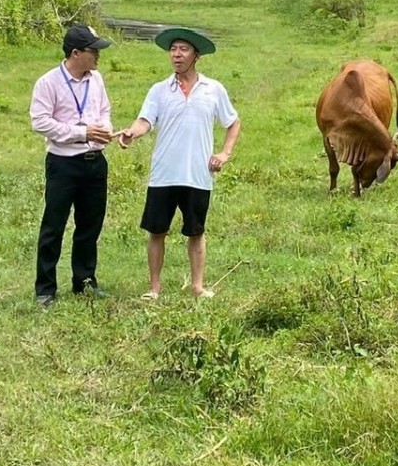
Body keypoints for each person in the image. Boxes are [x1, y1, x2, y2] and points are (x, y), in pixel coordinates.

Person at [115, 26, 240, 300]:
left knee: (196, 231)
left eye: (183, 49)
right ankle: (154, 288)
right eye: (173, 49)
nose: (177, 55)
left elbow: (233, 122)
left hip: (198, 175)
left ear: (196, 55)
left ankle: (197, 286)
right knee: (157, 231)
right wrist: (132, 132)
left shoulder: (213, 89)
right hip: (163, 174)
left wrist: (224, 153)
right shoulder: (159, 91)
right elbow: (145, 120)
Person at [30, 23, 114, 307]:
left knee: (90, 225)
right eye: (93, 51)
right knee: (54, 225)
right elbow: (40, 121)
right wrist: (82, 132)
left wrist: (104, 129)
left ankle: (85, 282)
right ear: (76, 53)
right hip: (63, 164)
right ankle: (45, 289)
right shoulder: (48, 83)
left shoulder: (97, 79)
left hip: (95, 161)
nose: (98, 57)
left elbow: (104, 110)